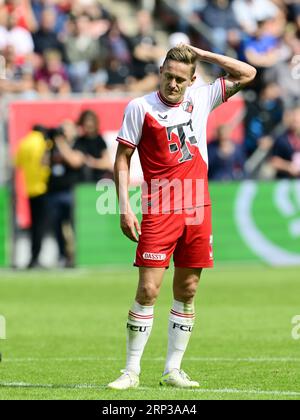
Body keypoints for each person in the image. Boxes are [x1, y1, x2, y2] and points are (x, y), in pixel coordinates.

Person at [109, 44, 256, 389]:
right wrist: (124, 206)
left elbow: (248, 73)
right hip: (159, 208)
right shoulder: (139, 108)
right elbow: (121, 159)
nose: (172, 84)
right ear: (160, 72)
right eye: (168, 76)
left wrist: (203, 53)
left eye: (180, 79)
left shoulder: (202, 98)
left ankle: (172, 370)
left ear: (191, 80)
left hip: (196, 206)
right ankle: (131, 371)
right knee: (147, 289)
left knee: (187, 289)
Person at [15, 126, 50, 269]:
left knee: (34, 225)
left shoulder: (24, 143)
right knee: (41, 226)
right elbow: (45, 161)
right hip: (43, 187)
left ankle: (33, 257)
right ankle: (36, 257)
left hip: (29, 188)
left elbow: (17, 164)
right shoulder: (43, 142)